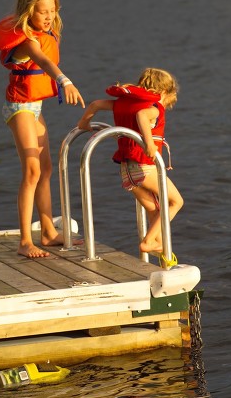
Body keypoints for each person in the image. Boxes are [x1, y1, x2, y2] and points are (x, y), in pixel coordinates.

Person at [0, 0, 85, 258]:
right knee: (31, 171)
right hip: (18, 107)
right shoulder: (28, 41)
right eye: (43, 12)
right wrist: (64, 81)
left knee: (46, 170)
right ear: (29, 12)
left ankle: (47, 231)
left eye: (52, 12)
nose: (49, 17)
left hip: (35, 108)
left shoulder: (47, 32)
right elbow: (43, 61)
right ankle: (24, 242)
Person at [77, 67, 183, 257]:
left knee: (154, 210)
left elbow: (95, 105)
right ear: (163, 92)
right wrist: (149, 144)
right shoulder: (154, 108)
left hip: (127, 170)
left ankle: (160, 248)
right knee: (175, 202)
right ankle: (149, 242)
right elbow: (141, 115)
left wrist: (84, 124)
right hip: (144, 166)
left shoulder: (121, 103)